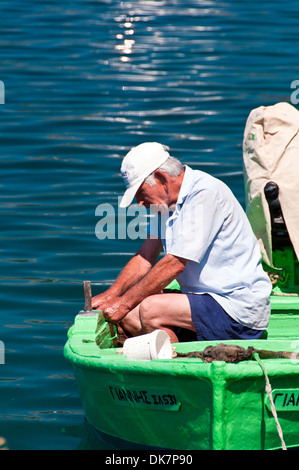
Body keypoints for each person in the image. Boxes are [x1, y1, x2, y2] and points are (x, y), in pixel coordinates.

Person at [92, 142, 272, 343]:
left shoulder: (205, 193)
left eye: (141, 193)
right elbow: (145, 257)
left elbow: (175, 264)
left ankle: (175, 359)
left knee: (150, 309)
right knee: (130, 314)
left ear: (161, 179)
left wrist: (123, 303)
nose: (139, 203)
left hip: (237, 309)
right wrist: (111, 296)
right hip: (204, 300)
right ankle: (174, 345)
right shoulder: (164, 204)